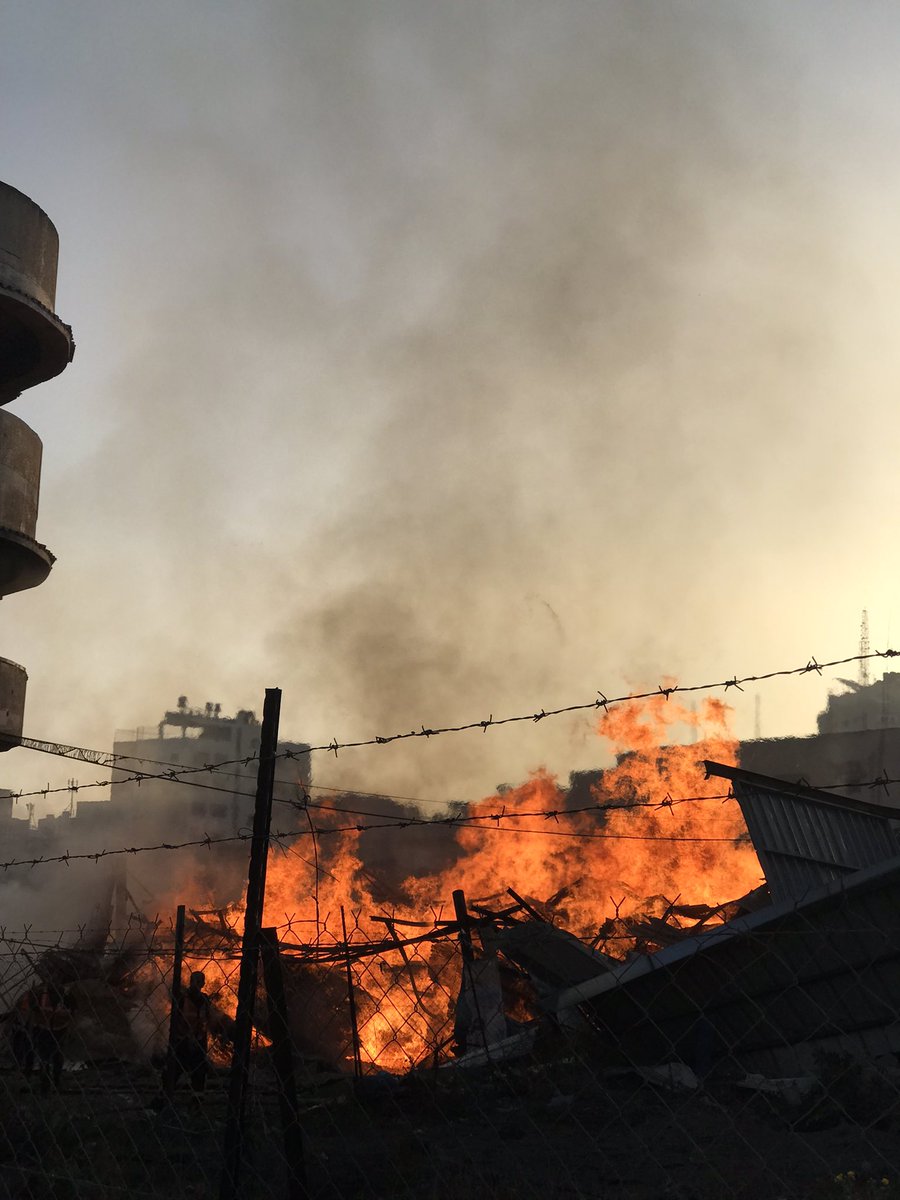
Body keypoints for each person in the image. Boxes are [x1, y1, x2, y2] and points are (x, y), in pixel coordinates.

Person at [171, 971, 211, 1093]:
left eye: (198, 982)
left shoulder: (205, 1000)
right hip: (182, 1041)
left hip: (199, 1041)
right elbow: (176, 1020)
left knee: (199, 1073)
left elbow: (206, 1019)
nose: (195, 984)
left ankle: (197, 1100)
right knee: (174, 1070)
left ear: (203, 984)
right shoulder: (182, 999)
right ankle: (164, 1096)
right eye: (193, 981)